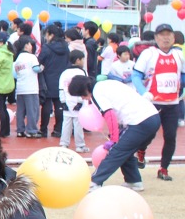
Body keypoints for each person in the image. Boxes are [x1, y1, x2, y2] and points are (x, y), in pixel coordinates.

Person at [68, 76, 158, 192]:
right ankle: (133, 181)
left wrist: (113, 139)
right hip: (152, 116)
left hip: (140, 121)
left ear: (84, 90)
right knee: (126, 150)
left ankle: (95, 182)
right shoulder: (106, 84)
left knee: (116, 151)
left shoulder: (96, 93)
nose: (83, 98)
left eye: (81, 95)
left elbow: (110, 115)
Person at [131, 23, 182, 181]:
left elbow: (183, 75)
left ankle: (163, 169)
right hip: (153, 103)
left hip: (172, 104)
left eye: (168, 35)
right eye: (162, 35)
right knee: (149, 133)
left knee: (170, 136)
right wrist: (143, 92)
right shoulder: (149, 54)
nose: (165, 38)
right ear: (156, 37)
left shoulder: (179, 55)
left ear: (173, 37)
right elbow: (136, 75)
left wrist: (180, 89)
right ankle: (141, 150)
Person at [38, 24, 69, 138]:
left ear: (51, 35)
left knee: (46, 106)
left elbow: (40, 60)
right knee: (59, 106)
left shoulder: (47, 47)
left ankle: (43, 130)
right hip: (62, 79)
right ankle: (58, 130)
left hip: (47, 78)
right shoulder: (66, 47)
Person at [58, 50, 88, 152]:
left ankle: (64, 144)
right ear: (78, 60)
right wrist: (80, 102)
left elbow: (61, 88)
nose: (83, 61)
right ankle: (80, 145)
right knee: (78, 124)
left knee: (66, 124)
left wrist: (63, 102)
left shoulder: (64, 73)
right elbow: (84, 88)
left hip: (67, 102)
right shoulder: (81, 72)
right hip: (78, 102)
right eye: (82, 59)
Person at [13, 39, 43, 138]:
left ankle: (20, 130)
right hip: (31, 88)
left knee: (20, 111)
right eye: (30, 44)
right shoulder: (32, 57)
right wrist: (42, 67)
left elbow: (15, 74)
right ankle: (31, 130)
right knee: (32, 110)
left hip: (20, 88)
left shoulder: (18, 58)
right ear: (26, 45)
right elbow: (36, 69)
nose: (32, 46)